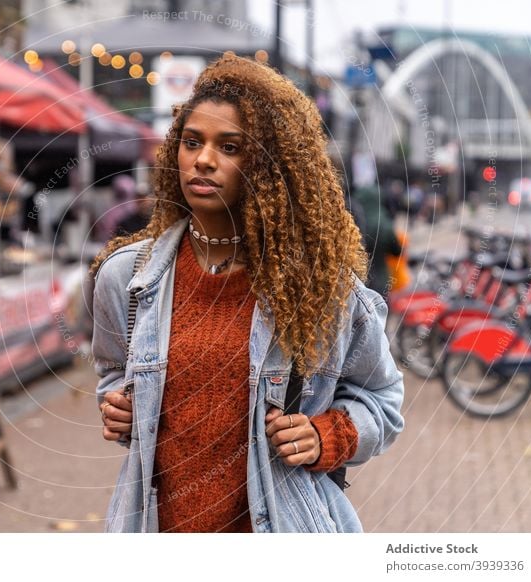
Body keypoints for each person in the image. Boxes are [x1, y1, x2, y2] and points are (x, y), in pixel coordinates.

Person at [89, 55, 404, 533]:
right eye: (192, 142)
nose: (204, 159)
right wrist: (119, 404)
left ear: (267, 165)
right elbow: (114, 370)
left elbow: (381, 397)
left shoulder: (320, 288)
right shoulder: (126, 279)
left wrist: (329, 435)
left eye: (229, 146)